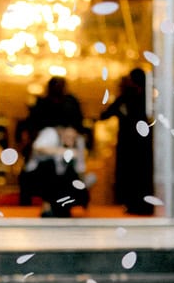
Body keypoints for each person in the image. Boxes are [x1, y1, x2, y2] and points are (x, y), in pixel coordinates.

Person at [99, 68, 154, 216]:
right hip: (142, 143)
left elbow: (104, 114)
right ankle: (142, 204)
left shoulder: (127, 97)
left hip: (129, 144)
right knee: (141, 173)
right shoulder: (146, 97)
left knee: (130, 174)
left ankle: (134, 204)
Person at [20, 124, 91, 218]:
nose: (70, 140)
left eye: (73, 138)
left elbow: (80, 169)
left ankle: (63, 207)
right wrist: (63, 151)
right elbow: (38, 148)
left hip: (64, 183)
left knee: (74, 183)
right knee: (49, 170)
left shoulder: (78, 144)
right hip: (46, 179)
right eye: (67, 137)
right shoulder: (52, 135)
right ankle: (48, 206)